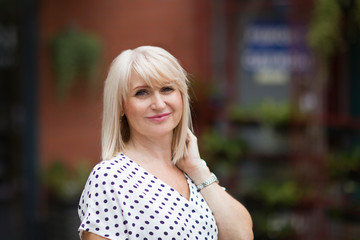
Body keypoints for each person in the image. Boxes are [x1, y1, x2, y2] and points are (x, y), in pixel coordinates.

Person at [78, 46, 253, 240]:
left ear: (181, 96)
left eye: (167, 89)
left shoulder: (191, 174)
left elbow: (242, 235)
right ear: (121, 106)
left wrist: (198, 170)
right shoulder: (110, 177)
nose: (159, 104)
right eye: (142, 93)